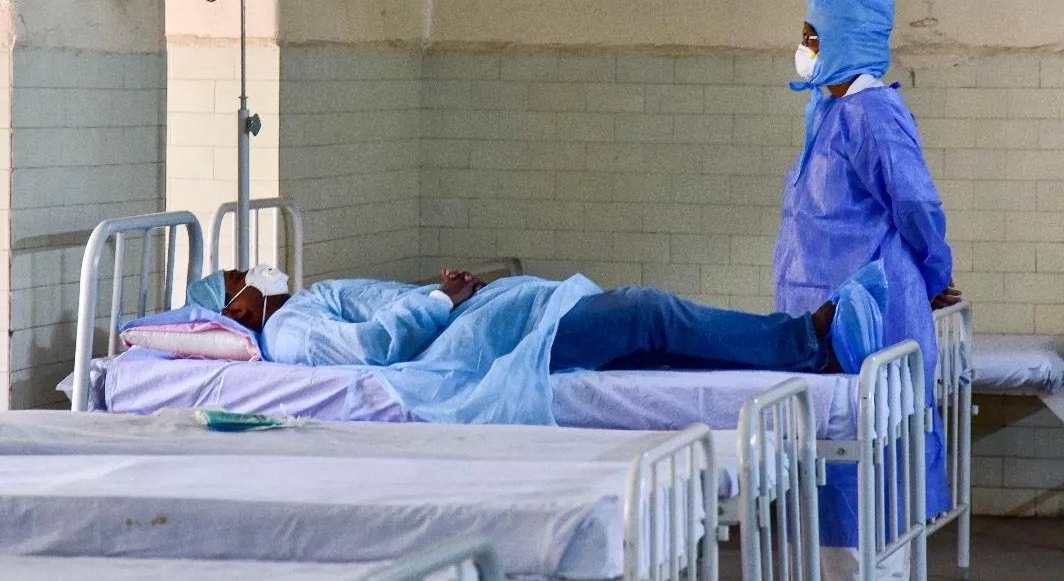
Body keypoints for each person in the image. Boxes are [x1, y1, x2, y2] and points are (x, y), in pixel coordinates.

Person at [778, 0, 962, 547]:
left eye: (813, 38)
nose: (804, 48)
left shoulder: (874, 113)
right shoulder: (827, 110)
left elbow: (916, 204)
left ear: (848, 40)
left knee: (874, 455)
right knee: (829, 458)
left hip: (870, 311)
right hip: (818, 308)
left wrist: (933, 275)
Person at [186, 262, 887, 377]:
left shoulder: (304, 301)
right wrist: (444, 301)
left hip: (495, 317)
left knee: (650, 340)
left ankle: (798, 349)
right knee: (647, 311)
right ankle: (806, 342)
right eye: (243, 274)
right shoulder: (288, 332)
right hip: (493, 341)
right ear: (237, 305)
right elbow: (372, 347)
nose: (257, 268)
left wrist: (453, 293)